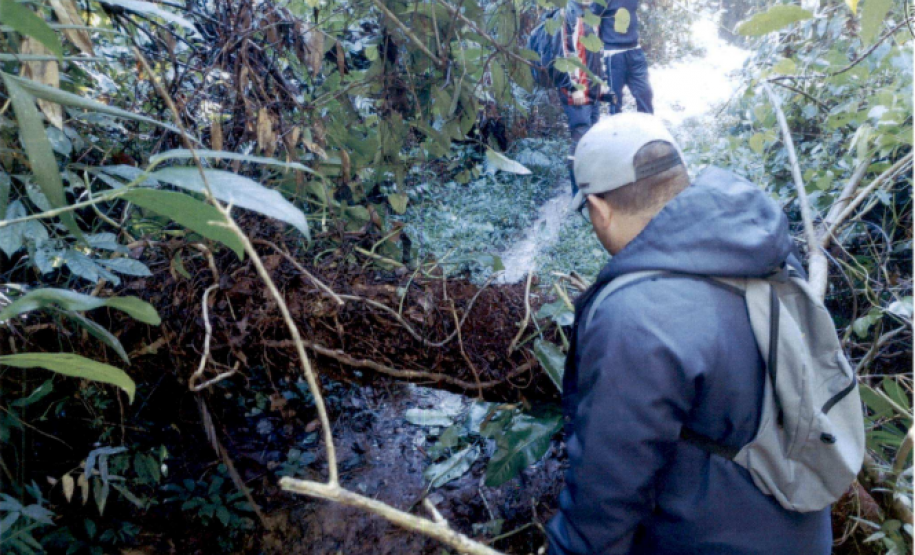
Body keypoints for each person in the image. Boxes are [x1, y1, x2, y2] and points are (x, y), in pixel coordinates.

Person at [546, 113, 832, 554]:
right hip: (803, 532)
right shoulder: (762, 247)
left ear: (599, 209)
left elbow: (604, 502)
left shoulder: (635, 317)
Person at [550, 0, 603, 195]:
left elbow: (595, 54)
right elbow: (562, 52)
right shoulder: (566, 14)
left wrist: (601, 84)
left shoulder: (590, 14)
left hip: (591, 89)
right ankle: (577, 194)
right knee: (581, 140)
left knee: (593, 139)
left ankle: (592, 188)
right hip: (576, 91)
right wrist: (573, 87)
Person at [591, 0, 653, 114]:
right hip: (614, 53)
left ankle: (648, 128)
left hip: (635, 50)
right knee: (615, 100)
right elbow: (591, 19)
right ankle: (615, 130)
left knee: (645, 93)